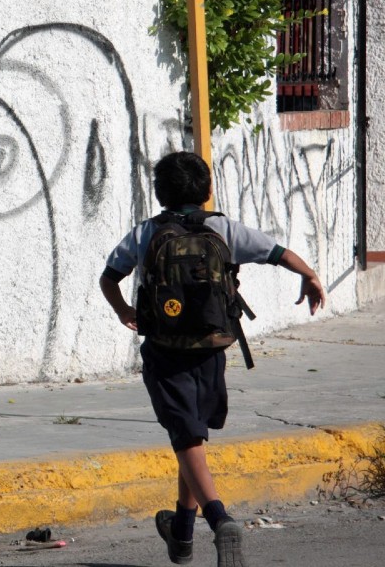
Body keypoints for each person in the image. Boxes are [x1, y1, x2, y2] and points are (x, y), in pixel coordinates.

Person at [98, 151, 325, 567]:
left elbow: (109, 277)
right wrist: (309, 276)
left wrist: (123, 311)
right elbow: (278, 252)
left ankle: (220, 520)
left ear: (160, 193)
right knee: (192, 437)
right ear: (206, 190)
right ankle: (182, 531)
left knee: (185, 437)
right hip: (212, 348)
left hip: (165, 351)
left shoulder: (147, 233)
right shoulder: (224, 228)